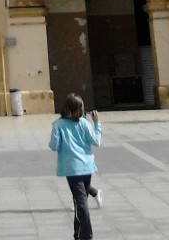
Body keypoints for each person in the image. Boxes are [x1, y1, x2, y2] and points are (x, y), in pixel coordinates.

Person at [49, 93, 102, 240]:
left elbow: (54, 146)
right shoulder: (85, 123)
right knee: (80, 200)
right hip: (87, 167)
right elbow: (96, 141)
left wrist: (56, 135)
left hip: (72, 169)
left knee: (80, 201)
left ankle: (87, 235)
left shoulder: (58, 125)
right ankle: (77, 234)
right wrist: (97, 124)